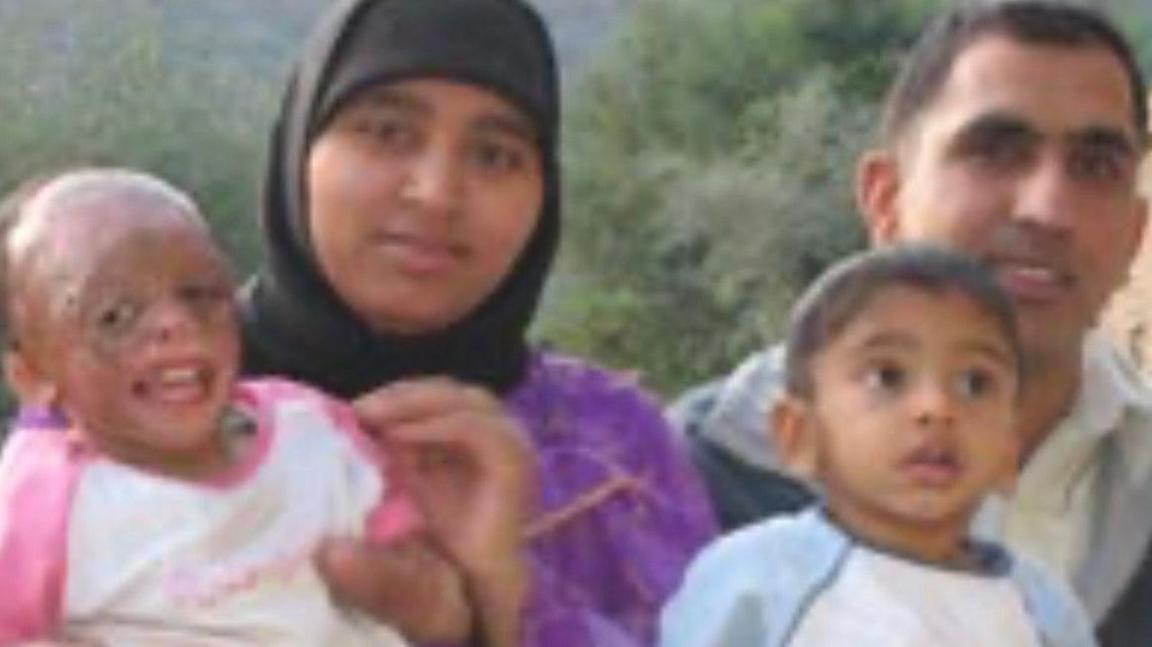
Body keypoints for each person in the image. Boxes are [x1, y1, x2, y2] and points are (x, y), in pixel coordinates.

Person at [238, 0, 717, 644]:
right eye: (386, 132)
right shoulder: (136, 401)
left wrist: (505, 589)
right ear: (299, 147)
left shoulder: (613, 453)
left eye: (494, 155)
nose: (437, 191)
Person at [669, 0, 1150, 638]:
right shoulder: (685, 482)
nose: (1047, 209)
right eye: (995, 152)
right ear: (885, 197)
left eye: (1095, 167)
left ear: (1136, 232)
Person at [0, 169, 473, 645]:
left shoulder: (314, 433)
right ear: (35, 376)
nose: (175, 322)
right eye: (115, 316)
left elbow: (440, 607)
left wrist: (416, 596)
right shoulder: (41, 501)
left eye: (199, 294)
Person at [661, 246, 1095, 647]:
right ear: (799, 433)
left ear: (1009, 453)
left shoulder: (1045, 611)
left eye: (974, 383)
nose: (936, 408)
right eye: (887, 377)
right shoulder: (759, 579)